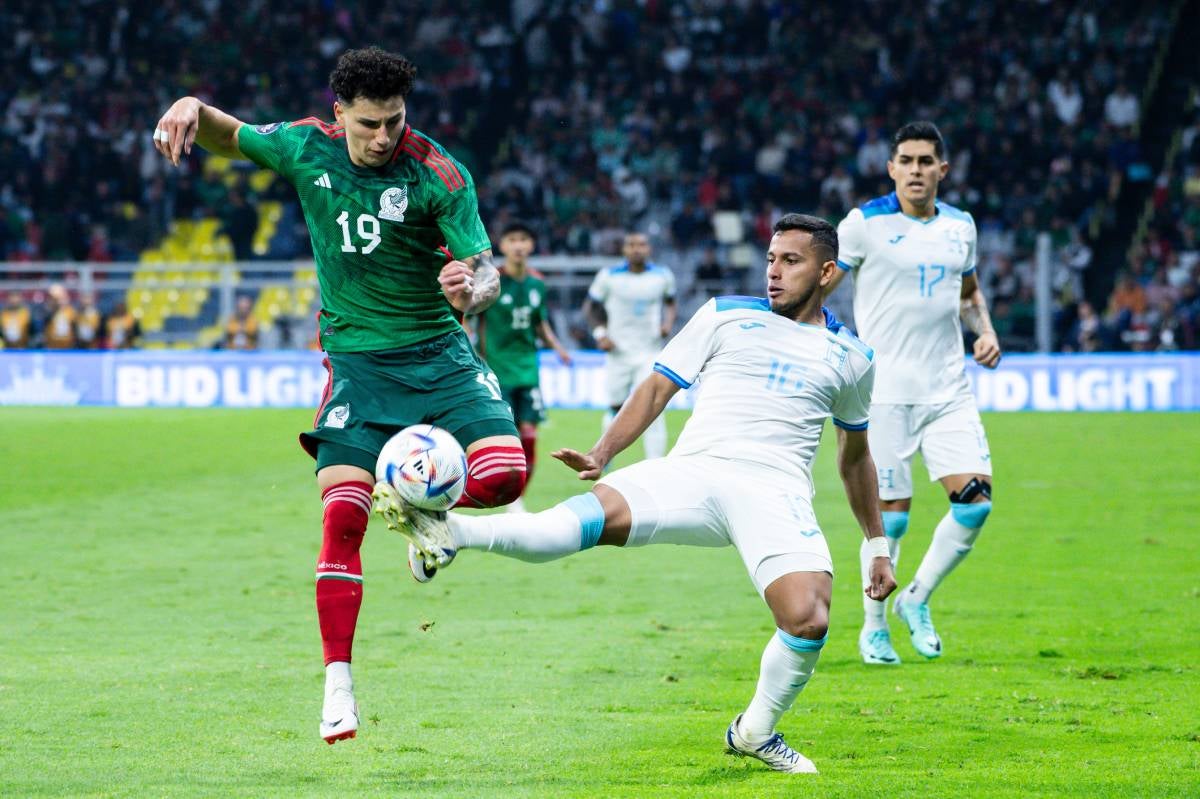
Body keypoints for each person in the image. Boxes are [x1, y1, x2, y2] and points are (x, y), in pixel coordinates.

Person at [375, 214, 897, 774]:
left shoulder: (853, 357)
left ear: (826, 272)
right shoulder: (725, 315)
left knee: (809, 620)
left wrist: (875, 543)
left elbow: (855, 455)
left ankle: (754, 732)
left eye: (790, 262)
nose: (773, 272)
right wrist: (603, 454)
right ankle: (448, 532)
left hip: (774, 492)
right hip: (693, 473)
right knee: (570, 525)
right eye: (770, 258)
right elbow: (656, 387)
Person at [153, 46, 525, 745]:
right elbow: (226, 133)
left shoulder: (438, 171)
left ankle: (422, 513)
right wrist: (188, 107)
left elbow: (484, 271)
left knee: (506, 475)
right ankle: (338, 686)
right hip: (357, 363)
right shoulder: (304, 148)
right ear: (340, 115)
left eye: (394, 121)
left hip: (442, 355)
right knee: (343, 517)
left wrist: (473, 288)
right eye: (369, 125)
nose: (384, 136)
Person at [827, 122, 1000, 666]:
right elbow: (823, 283)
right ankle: (873, 627)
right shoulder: (863, 225)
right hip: (883, 396)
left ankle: (917, 598)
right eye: (908, 160)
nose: (917, 170)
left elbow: (969, 293)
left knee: (975, 504)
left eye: (927, 161)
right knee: (891, 519)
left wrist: (985, 330)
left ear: (942, 170)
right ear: (892, 168)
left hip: (948, 389)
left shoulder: (960, 227)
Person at [473, 221, 573, 513]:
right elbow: (474, 319)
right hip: (496, 371)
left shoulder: (537, 283)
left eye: (524, 239)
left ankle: (517, 498)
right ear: (502, 246)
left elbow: (539, 323)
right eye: (512, 239)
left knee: (529, 434)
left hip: (528, 369)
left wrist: (559, 349)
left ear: (531, 246)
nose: (518, 245)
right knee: (503, 435)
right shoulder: (491, 280)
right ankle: (487, 489)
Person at [583, 232, 677, 460]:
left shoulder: (662, 276)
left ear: (649, 249)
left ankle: (654, 466)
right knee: (615, 408)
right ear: (624, 249)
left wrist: (667, 323)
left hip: (650, 352)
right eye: (632, 245)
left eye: (642, 245)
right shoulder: (609, 276)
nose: (637, 249)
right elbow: (590, 308)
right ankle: (602, 461)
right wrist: (600, 333)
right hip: (618, 353)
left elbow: (671, 302)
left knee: (653, 407)